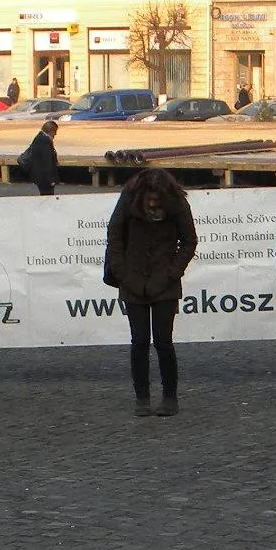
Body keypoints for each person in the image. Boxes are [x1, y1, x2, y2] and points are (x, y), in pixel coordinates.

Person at [104, 167, 198, 416]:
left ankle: (170, 397)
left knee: (163, 341)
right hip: (132, 279)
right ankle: (142, 398)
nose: (153, 204)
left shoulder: (177, 204)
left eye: (157, 200)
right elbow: (114, 234)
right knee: (139, 341)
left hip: (164, 282)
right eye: (150, 200)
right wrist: (123, 273)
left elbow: (189, 240)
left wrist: (172, 273)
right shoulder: (129, 198)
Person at [19, 119, 61, 196]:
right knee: (47, 196)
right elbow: (47, 162)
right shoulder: (45, 141)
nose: (55, 134)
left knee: (44, 195)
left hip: (40, 176)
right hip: (44, 178)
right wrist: (51, 180)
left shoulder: (39, 137)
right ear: (50, 131)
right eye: (55, 131)